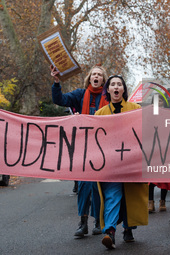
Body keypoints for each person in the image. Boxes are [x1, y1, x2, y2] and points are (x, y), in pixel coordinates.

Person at [51, 65, 109, 237]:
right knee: (83, 185)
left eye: (99, 74)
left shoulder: (109, 98)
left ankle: (98, 221)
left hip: (103, 149)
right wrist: (56, 82)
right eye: (94, 74)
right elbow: (59, 99)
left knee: (98, 185)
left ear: (103, 80)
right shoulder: (80, 95)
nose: (96, 76)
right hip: (83, 148)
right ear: (89, 78)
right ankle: (83, 222)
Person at [95, 75, 148, 249]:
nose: (116, 87)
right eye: (113, 84)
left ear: (123, 89)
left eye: (119, 84)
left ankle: (128, 228)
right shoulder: (99, 114)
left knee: (130, 196)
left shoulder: (136, 109)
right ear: (108, 90)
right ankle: (110, 231)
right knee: (112, 195)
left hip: (132, 162)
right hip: (111, 164)